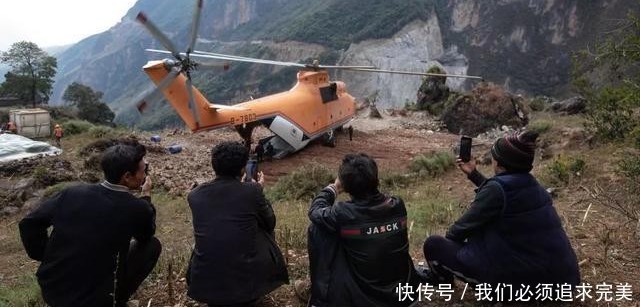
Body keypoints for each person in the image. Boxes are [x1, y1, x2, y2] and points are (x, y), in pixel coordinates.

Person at [423, 130, 580, 287]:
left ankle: (442, 280)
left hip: (525, 283)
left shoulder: (496, 191)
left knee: (434, 244)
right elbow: (504, 193)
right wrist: (474, 174)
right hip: (563, 279)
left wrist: (456, 249)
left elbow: (458, 230)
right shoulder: (534, 186)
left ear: (498, 162)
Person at [19, 143, 161, 307]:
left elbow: (29, 223)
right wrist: (146, 198)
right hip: (95, 299)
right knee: (152, 246)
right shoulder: (136, 207)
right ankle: (117, 300)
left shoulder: (72, 192)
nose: (145, 176)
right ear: (127, 176)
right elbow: (146, 235)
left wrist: (46, 255)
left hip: (54, 291)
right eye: (143, 171)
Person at [305, 153, 422, 307]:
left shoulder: (344, 213)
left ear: (346, 187)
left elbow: (315, 211)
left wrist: (333, 188)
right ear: (376, 179)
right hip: (404, 294)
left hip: (365, 299)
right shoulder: (397, 204)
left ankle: (321, 296)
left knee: (317, 229)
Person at [187, 141, 288, 306]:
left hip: (205, 284)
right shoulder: (252, 191)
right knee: (265, 231)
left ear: (214, 166)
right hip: (246, 288)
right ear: (243, 169)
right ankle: (261, 282)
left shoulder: (194, 195)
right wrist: (259, 190)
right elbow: (270, 223)